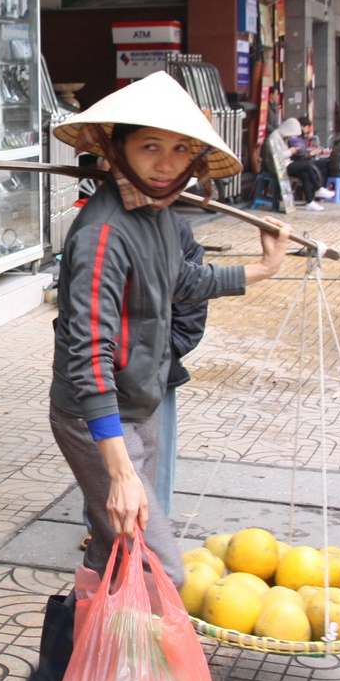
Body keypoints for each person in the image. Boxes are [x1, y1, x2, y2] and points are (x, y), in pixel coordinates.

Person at [25, 71, 292, 681]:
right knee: (159, 568)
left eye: (179, 151)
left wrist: (262, 268)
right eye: (149, 149)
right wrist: (118, 469)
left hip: (139, 406)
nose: (166, 164)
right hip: (97, 420)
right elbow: (85, 358)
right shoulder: (101, 235)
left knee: (106, 550)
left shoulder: (163, 218)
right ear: (116, 151)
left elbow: (188, 280)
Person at [157, 219, 209, 516]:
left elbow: (195, 290)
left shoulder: (172, 227)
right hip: (102, 366)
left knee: (156, 454)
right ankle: (101, 535)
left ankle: (152, 536)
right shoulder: (93, 225)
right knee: (101, 455)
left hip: (156, 364)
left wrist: (170, 347)